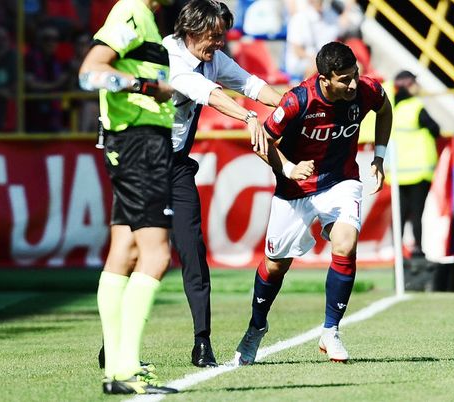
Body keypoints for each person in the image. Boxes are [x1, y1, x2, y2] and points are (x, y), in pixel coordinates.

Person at [232, 41, 392, 365]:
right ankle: (256, 327)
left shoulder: (365, 90)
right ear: (324, 79)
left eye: (354, 75)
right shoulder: (297, 100)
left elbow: (385, 109)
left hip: (341, 180)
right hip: (295, 189)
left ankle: (331, 331)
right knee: (276, 264)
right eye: (344, 79)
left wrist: (379, 157)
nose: (352, 84)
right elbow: (262, 142)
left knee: (346, 244)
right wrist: (289, 168)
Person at [161, 0, 281, 368]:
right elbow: (208, 94)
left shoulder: (211, 56)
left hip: (178, 165)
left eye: (221, 37)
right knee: (139, 254)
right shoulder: (168, 56)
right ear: (190, 30)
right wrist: (249, 118)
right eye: (213, 37)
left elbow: (251, 85)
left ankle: (202, 343)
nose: (218, 45)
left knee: (193, 250)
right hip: (145, 163)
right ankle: (113, 343)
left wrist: (297, 108)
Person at [79, 0, 177, 395]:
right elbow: (91, 72)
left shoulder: (146, 18)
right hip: (140, 142)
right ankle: (126, 370)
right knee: (158, 254)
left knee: (126, 249)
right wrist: (147, 87)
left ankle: (119, 367)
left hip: (133, 140)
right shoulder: (133, 13)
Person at [384, 71, 440, 259]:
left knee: (399, 214)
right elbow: (435, 129)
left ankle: (397, 253)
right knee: (417, 214)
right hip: (419, 171)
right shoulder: (416, 106)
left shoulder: (392, 108)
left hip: (398, 171)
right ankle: (417, 250)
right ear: (409, 85)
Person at [284, 0, 340, 82]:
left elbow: (337, 39)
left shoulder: (331, 16)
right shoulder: (299, 18)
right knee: (319, 65)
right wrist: (317, 58)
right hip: (300, 62)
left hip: (322, 58)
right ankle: (304, 89)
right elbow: (297, 51)